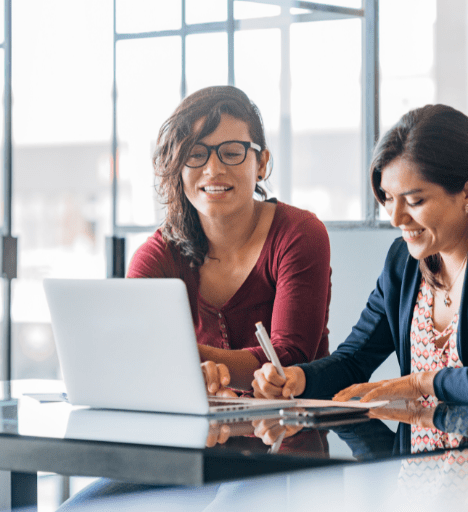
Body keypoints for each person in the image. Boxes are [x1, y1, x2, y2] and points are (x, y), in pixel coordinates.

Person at [253, 104, 468, 409]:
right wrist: (299, 378)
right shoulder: (404, 260)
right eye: (388, 198)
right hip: (420, 465)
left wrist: (422, 383)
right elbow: (355, 360)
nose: (396, 218)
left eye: (415, 201)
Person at [127, 85, 332, 395]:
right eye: (195, 154)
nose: (213, 169)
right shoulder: (158, 255)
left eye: (232, 152)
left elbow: (287, 358)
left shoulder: (299, 234)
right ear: (178, 168)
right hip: (199, 435)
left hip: (292, 432)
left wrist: (184, 361)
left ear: (261, 164)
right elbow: (132, 350)